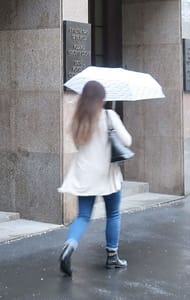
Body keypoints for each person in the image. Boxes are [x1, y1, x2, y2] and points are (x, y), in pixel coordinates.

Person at [58, 80, 131, 276]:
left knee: (83, 216)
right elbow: (127, 141)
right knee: (113, 214)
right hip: (107, 173)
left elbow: (77, 144)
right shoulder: (109, 115)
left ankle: (69, 246)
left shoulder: (78, 119)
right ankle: (112, 256)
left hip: (84, 174)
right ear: (101, 99)